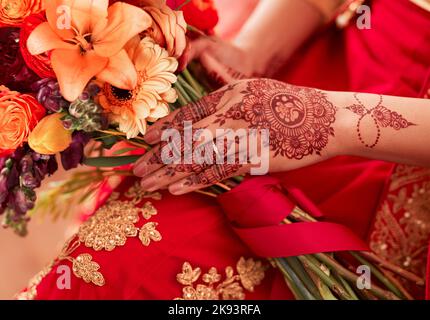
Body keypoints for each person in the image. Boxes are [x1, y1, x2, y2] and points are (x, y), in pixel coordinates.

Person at [18, 0, 430, 300]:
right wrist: (251, 52)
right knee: (119, 264)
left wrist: (333, 120)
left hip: (398, 142)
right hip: (304, 82)